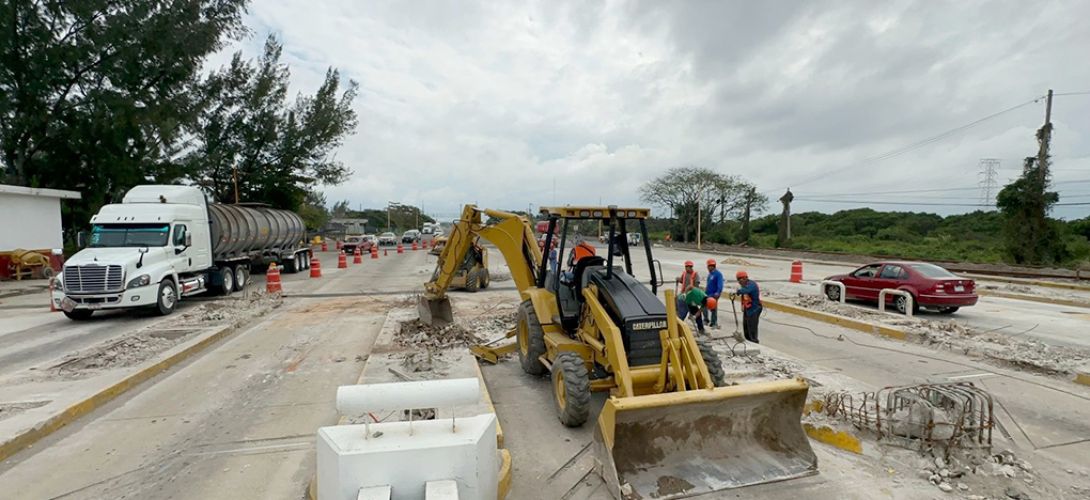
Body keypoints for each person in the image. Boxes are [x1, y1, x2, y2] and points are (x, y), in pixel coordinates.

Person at [732, 270, 762, 343]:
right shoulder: (744, 286)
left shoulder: (751, 284)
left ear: (745, 278)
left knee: (752, 327)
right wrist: (742, 305)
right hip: (748, 308)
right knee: (746, 326)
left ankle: (754, 342)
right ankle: (748, 341)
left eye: (741, 279)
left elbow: (746, 291)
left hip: (754, 308)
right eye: (738, 280)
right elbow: (744, 296)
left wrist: (737, 291)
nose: (740, 282)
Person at [703, 259, 723, 329]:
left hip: (714, 294)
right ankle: (706, 320)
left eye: (711, 266)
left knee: (713, 309)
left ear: (713, 266)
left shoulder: (718, 274)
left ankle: (714, 323)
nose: (709, 268)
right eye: (709, 266)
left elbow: (720, 285)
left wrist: (718, 292)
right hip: (708, 294)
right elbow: (708, 285)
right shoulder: (710, 274)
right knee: (704, 306)